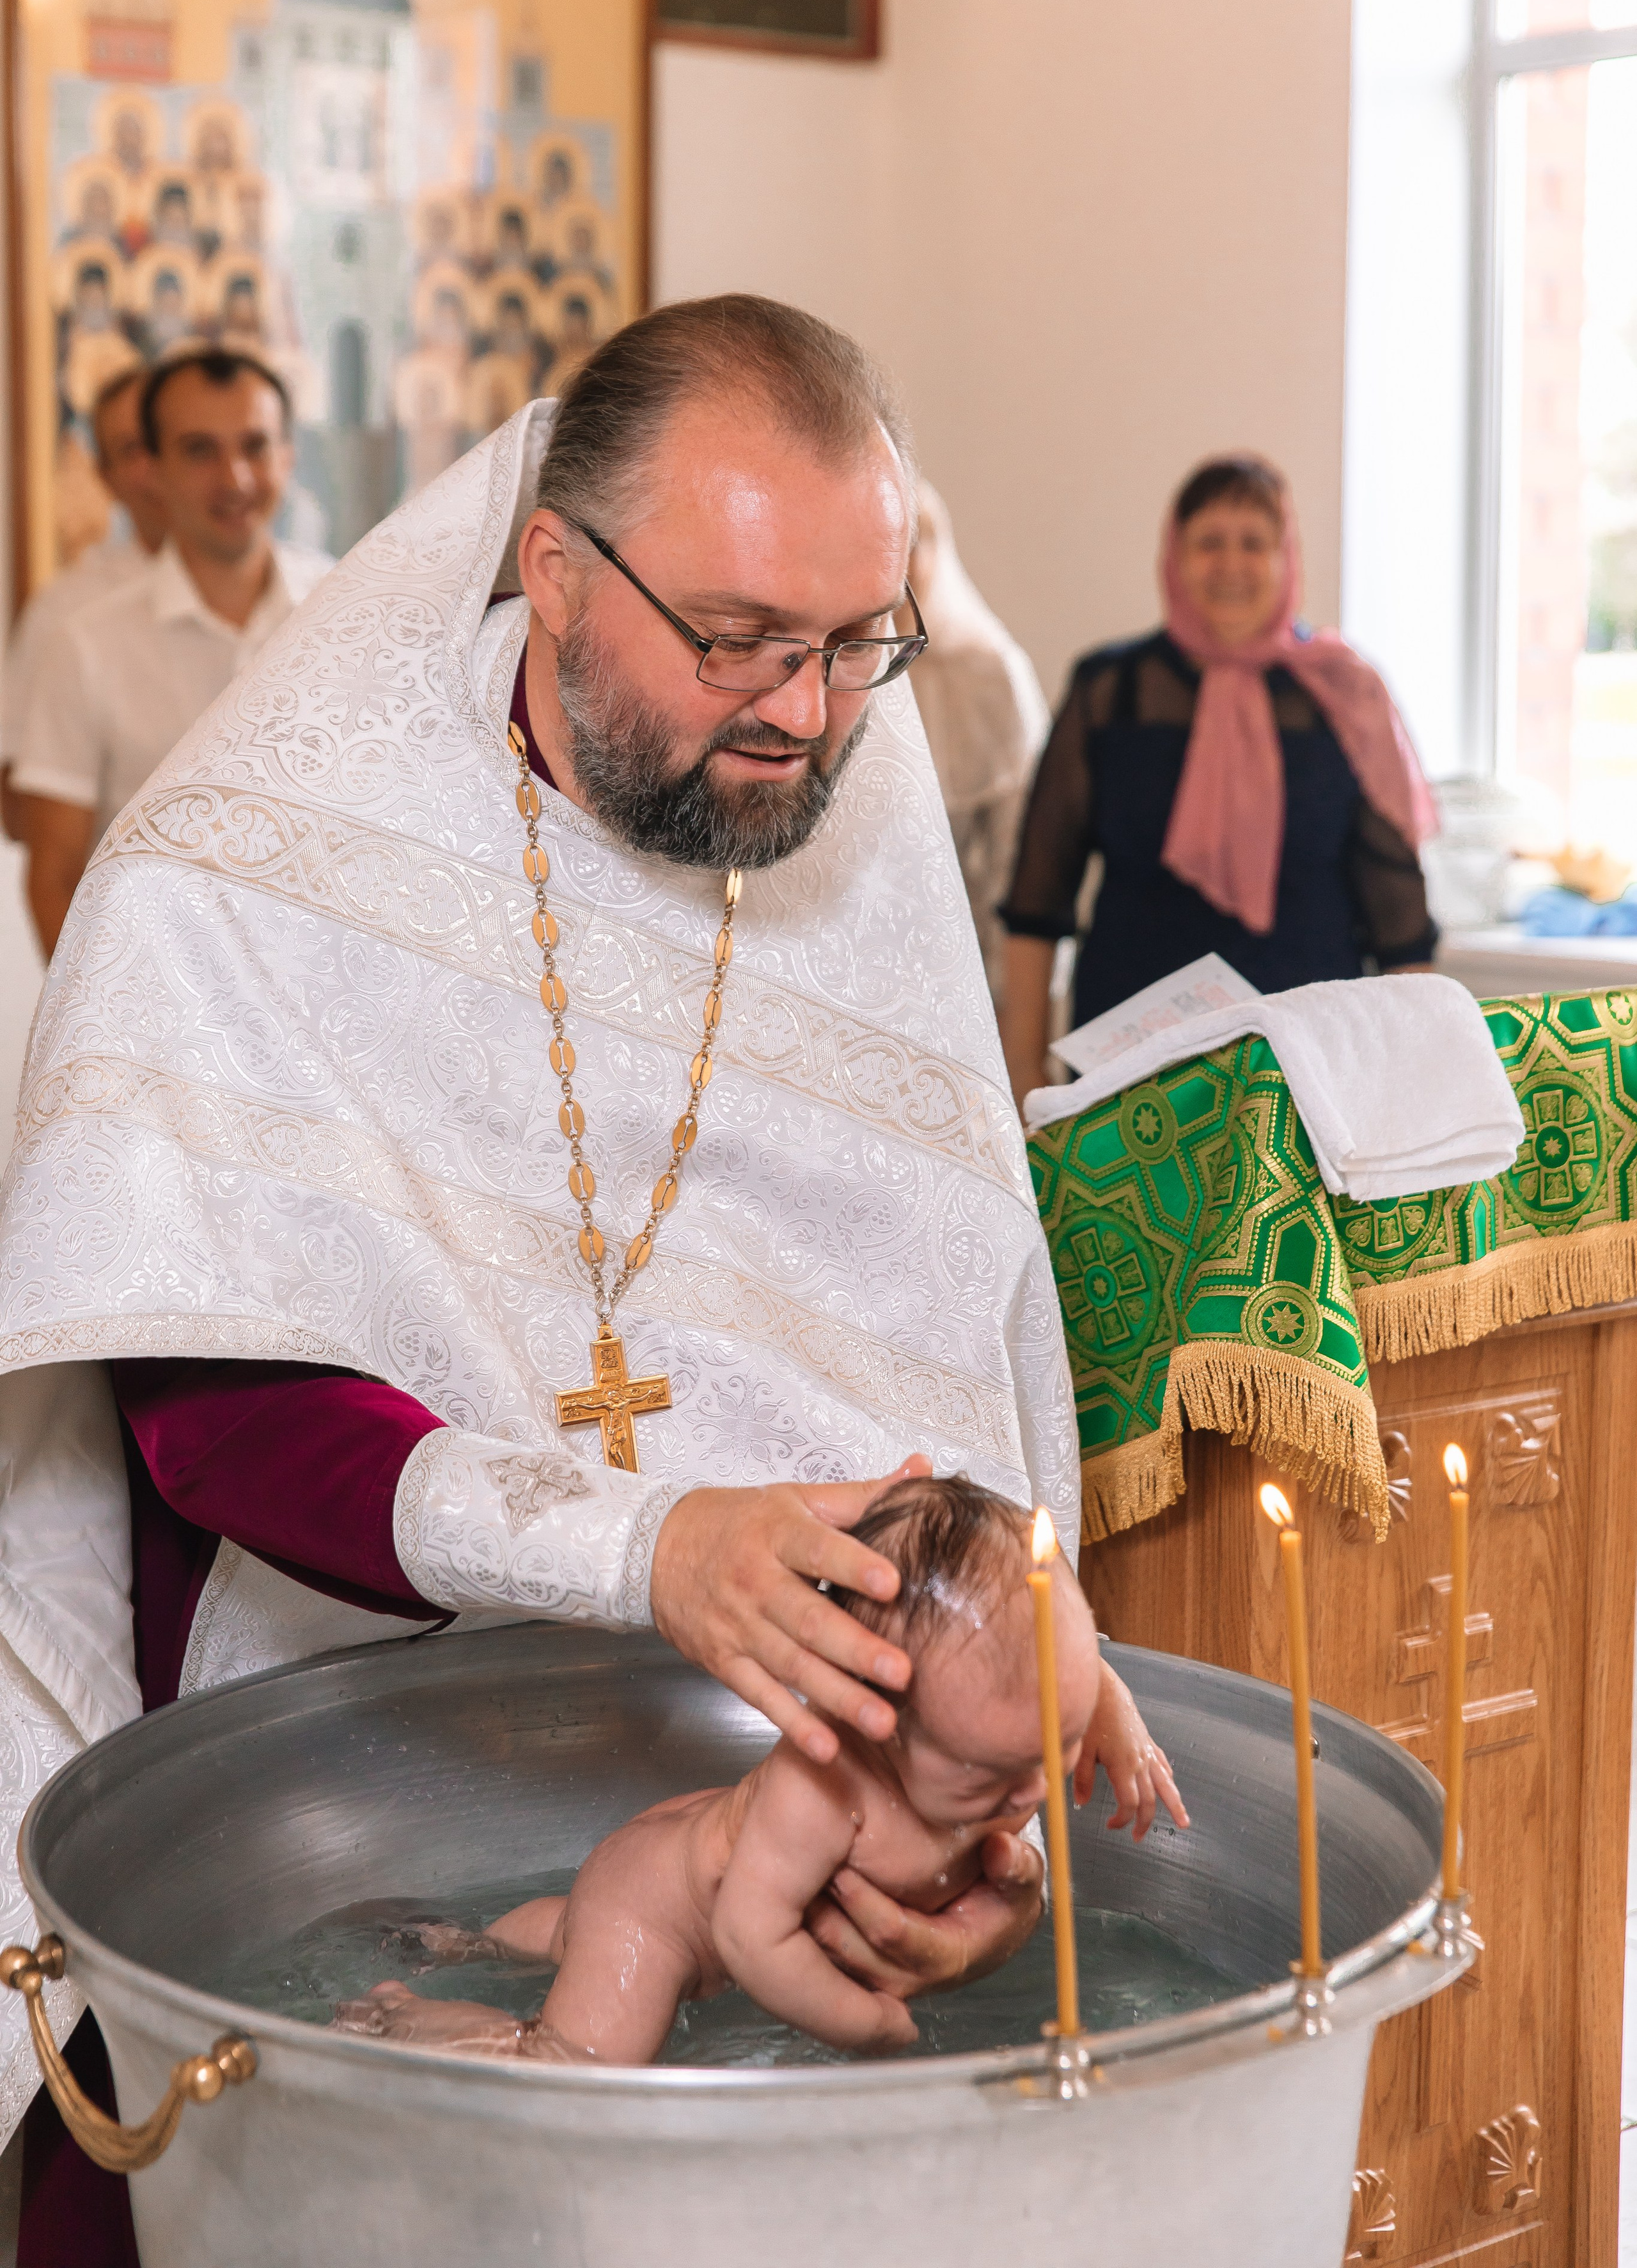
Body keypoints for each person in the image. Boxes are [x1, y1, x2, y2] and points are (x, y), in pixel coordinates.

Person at [0, 297, 1164, 2263]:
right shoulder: (245, 865)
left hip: (765, 1784)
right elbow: (217, 1411)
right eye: (738, 638)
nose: (807, 712)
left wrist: (971, 1765)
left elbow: (938, 1349)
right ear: (553, 569)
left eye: (856, 642)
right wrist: (645, 1542)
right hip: (342, 1765)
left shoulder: (856, 816)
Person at [335, 1477, 1183, 2065]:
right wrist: (863, 2023)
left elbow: (1062, 1669)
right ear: (868, 1717)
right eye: (988, 1777)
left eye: (1057, 1746)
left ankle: (472, 1941)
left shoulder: (993, 1726)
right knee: (576, 2061)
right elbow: (748, 1937)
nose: (1034, 1792)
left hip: (667, 1858)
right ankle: (406, 2015)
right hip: (656, 1918)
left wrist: (1110, 1718)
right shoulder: (824, 1793)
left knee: (569, 1936)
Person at [998, 454, 1438, 1106]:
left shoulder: (1345, 696)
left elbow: (1400, 922)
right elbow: (1037, 902)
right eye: (1209, 542)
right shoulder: (1110, 692)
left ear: (1287, 558)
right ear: (1175, 556)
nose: (1231, 564)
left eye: (1254, 543)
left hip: (1308, 1070)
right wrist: (1023, 1079)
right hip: (1130, 1073)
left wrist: (1417, 1093)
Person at [10, 345, 332, 957]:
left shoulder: (349, 614)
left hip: (325, 987)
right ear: (154, 469)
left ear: (288, 456)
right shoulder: (84, 645)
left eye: (256, 446)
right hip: (153, 989)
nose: (235, 479)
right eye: (200, 450)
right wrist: (103, 1009)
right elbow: (54, 875)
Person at [1, 368, 167, 841]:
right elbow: (17, 805)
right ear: (105, 476)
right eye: (133, 449)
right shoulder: (64, 614)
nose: (158, 464)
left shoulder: (304, 593)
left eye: (172, 440)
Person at [904, 484, 1049, 1004]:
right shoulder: (811, 665)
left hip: (952, 971)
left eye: (910, 542)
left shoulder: (990, 672)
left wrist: (1011, 1005)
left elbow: (1018, 863)